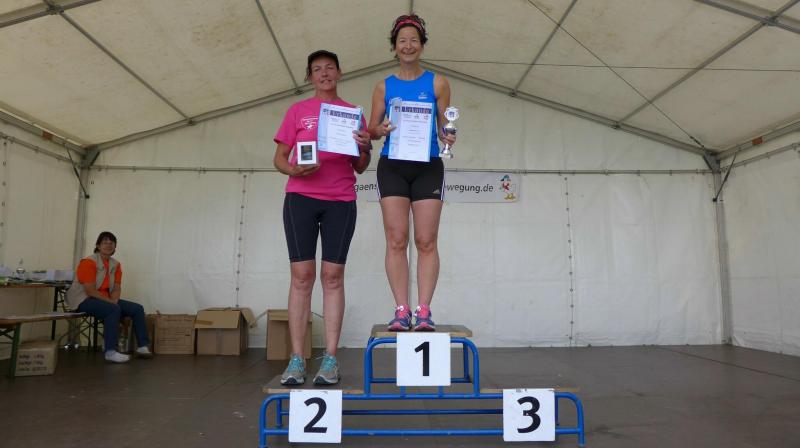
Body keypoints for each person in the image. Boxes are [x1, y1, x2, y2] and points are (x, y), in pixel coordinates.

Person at [274, 50, 372, 385]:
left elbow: (360, 166)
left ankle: (330, 359)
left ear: (339, 73)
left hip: (340, 200)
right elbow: (279, 157)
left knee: (332, 276)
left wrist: (365, 146)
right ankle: (297, 359)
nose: (324, 73)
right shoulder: (297, 111)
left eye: (330, 68)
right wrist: (293, 170)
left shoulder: (353, 114)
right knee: (302, 276)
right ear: (309, 76)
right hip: (300, 198)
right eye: (317, 69)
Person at [367, 14, 457, 332]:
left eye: (414, 40)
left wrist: (448, 135)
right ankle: (401, 309)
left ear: (422, 45)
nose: (408, 46)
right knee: (396, 240)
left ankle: (424, 311)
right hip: (392, 165)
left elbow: (445, 124)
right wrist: (380, 129)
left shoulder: (438, 83)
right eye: (402, 40)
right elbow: (371, 130)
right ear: (394, 46)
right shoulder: (383, 86)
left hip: (427, 165)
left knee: (426, 240)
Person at [65, 231, 153, 363]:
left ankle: (142, 346)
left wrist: (115, 300)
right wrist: (112, 303)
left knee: (137, 309)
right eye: (105, 242)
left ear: (115, 247)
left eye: (112, 243)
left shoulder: (116, 265)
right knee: (113, 309)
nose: (108, 245)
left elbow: (116, 287)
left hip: (105, 299)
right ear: (98, 246)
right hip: (83, 299)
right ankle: (110, 352)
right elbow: (90, 291)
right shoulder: (88, 262)